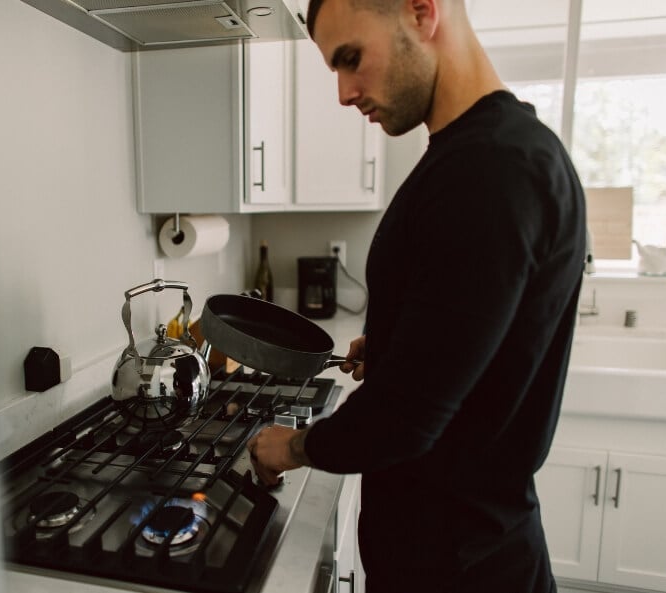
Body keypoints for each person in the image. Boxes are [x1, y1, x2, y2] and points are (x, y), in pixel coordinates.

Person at [245, 0, 587, 591]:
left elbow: (404, 420)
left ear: (422, 11)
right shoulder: (477, 156)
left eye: (350, 59)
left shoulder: (491, 169)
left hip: (459, 567)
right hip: (455, 549)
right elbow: (483, 340)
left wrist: (290, 448)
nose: (344, 93)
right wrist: (404, 342)